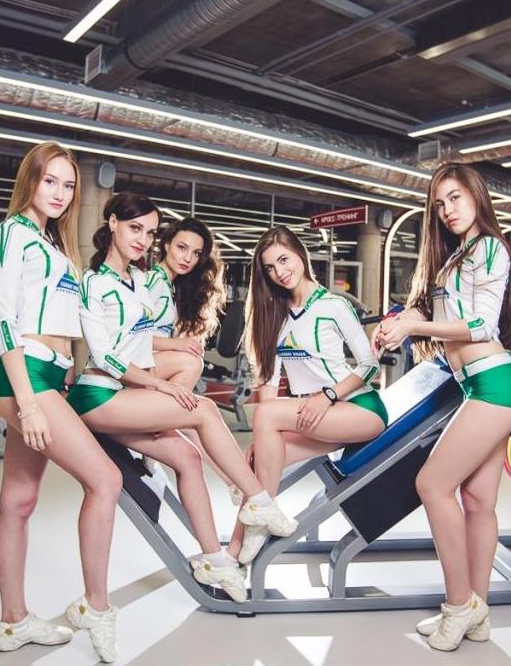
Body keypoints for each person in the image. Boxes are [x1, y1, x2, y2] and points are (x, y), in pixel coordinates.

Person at [67, 193, 299, 603]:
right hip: (97, 395)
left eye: (149, 232)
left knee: (189, 458)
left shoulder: (137, 281)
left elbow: (140, 339)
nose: (142, 239)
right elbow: (104, 355)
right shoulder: (94, 282)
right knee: (204, 409)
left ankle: (214, 559)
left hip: (126, 396)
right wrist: (160, 384)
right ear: (113, 224)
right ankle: (257, 499)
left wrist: (167, 363)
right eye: (135, 228)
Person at [372, 163, 511, 651]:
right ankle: (477, 613)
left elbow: (481, 326)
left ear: (477, 196)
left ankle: (457, 606)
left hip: (496, 383)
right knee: (477, 501)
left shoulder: (489, 247)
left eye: (455, 198)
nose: (447, 210)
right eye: (439, 204)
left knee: (432, 484)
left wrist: (413, 328)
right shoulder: (456, 255)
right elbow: (434, 309)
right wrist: (399, 321)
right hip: (478, 384)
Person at [0, 142, 120, 661]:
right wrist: (29, 404)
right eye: (50, 181)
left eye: (68, 184)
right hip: (25, 375)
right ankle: (97, 607)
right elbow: (3, 321)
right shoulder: (12, 233)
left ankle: (13, 622)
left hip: (50, 375)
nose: (60, 193)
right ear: (31, 181)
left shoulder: (52, 243)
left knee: (18, 501)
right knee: (105, 480)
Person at [226, 226, 387, 565]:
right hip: (318, 419)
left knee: (266, 415)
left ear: (300, 254)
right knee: (257, 461)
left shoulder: (333, 305)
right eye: (270, 267)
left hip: (358, 409)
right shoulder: (275, 315)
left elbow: (370, 365)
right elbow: (269, 382)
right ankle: (234, 553)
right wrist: (260, 438)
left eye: (284, 260)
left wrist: (327, 395)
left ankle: (264, 516)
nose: (280, 272)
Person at [143, 217, 240, 503]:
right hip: (136, 369)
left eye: (196, 253)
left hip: (153, 367)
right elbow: (132, 337)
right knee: (190, 363)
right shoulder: (153, 282)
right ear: (166, 245)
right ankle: (157, 426)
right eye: (181, 247)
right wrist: (177, 344)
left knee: (192, 420)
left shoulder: (169, 285)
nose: (188, 258)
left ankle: (235, 484)